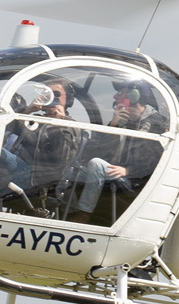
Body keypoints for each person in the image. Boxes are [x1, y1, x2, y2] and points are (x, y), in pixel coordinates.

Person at [65, 80, 167, 221]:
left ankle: (84, 213)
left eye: (120, 93)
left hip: (137, 179)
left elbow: (157, 160)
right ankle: (65, 212)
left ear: (134, 96)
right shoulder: (124, 120)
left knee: (96, 164)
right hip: (116, 172)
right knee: (71, 170)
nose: (115, 97)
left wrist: (130, 170)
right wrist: (114, 125)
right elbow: (96, 150)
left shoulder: (156, 124)